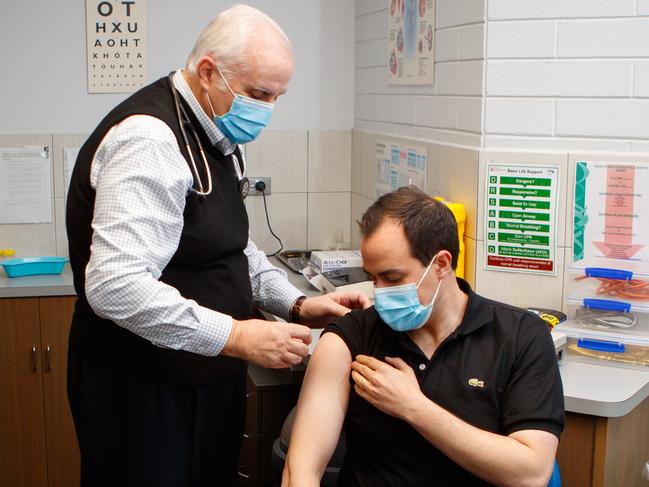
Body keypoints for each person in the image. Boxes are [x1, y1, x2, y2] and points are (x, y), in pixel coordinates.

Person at [65, 5, 368, 486]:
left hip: (203, 376)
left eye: (277, 96)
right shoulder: (151, 138)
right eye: (259, 94)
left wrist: (297, 304)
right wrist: (239, 336)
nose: (267, 109)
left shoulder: (217, 131)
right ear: (208, 72)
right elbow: (114, 286)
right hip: (145, 388)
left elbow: (232, 247)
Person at [283, 187, 564, 487]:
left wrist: (413, 407)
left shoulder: (520, 337)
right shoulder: (352, 338)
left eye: (392, 278)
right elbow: (300, 472)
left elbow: (531, 474)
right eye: (372, 278)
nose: (379, 292)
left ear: (441, 264)